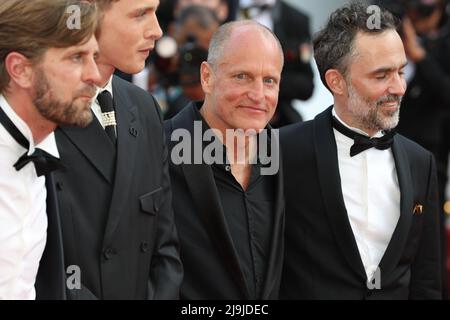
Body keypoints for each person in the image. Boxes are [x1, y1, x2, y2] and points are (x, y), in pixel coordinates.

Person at [280, 1, 442, 299]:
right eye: (382, 76)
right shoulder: (282, 152)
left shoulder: (421, 162)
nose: (398, 88)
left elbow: (426, 280)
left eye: (401, 72)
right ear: (336, 81)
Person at [54, 0, 183, 299]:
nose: (157, 31)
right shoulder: (38, 108)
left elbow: (164, 247)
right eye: (140, 15)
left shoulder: (145, 107)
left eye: (155, 12)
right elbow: (34, 257)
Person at [165, 20, 285, 299]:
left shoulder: (285, 155)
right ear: (206, 77)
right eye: (242, 76)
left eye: (269, 81)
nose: (257, 95)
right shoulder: (157, 150)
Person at [0, 0, 100, 299]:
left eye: (94, 56)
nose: (94, 74)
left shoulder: (39, 155)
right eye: (76, 57)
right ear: (21, 70)